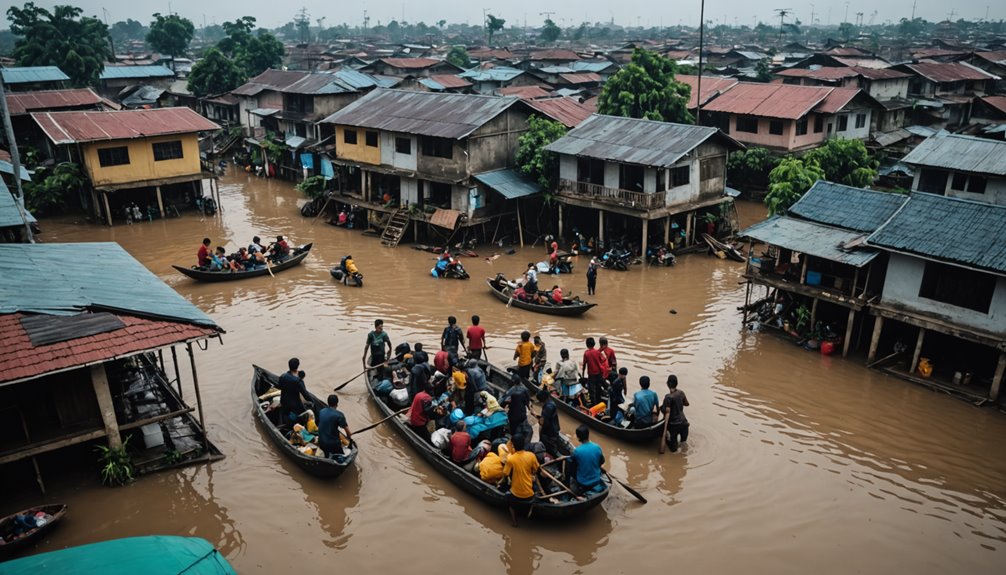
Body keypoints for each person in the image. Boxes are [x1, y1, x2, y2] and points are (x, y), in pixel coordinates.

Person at [500, 434, 540, 527]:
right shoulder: (531, 455)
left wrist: (500, 483)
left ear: (513, 445)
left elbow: (505, 474)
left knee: (510, 503)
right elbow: (536, 469)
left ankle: (514, 522)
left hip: (516, 494)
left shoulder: (511, 459)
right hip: (530, 494)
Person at [568, 425, 605, 495]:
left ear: (578, 438)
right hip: (597, 479)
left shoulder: (577, 451)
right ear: (588, 435)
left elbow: (572, 469)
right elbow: (602, 461)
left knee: (569, 467)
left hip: (583, 483)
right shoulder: (597, 447)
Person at [662, 375, 690, 452]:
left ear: (667, 384)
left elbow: (665, 411)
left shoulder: (668, 397)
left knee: (674, 450)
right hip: (684, 424)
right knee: (684, 444)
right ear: (677, 383)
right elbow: (687, 404)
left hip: (674, 426)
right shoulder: (681, 393)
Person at [276, 358, 309, 425]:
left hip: (284, 403)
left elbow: (279, 386)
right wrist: (312, 401)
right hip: (295, 407)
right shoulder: (298, 381)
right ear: (298, 366)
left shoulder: (282, 377)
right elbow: (306, 396)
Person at [535, 390, 566, 456]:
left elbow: (544, 422)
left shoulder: (548, 407)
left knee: (552, 449)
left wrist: (541, 428)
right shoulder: (550, 402)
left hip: (550, 432)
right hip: (554, 429)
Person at [581, 337, 605, 406]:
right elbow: (603, 360)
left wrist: (582, 375)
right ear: (594, 344)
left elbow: (584, 364)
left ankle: (594, 405)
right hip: (599, 374)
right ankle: (600, 402)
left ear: (587, 344)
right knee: (598, 389)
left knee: (592, 391)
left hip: (592, 375)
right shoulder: (598, 352)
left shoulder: (586, 353)